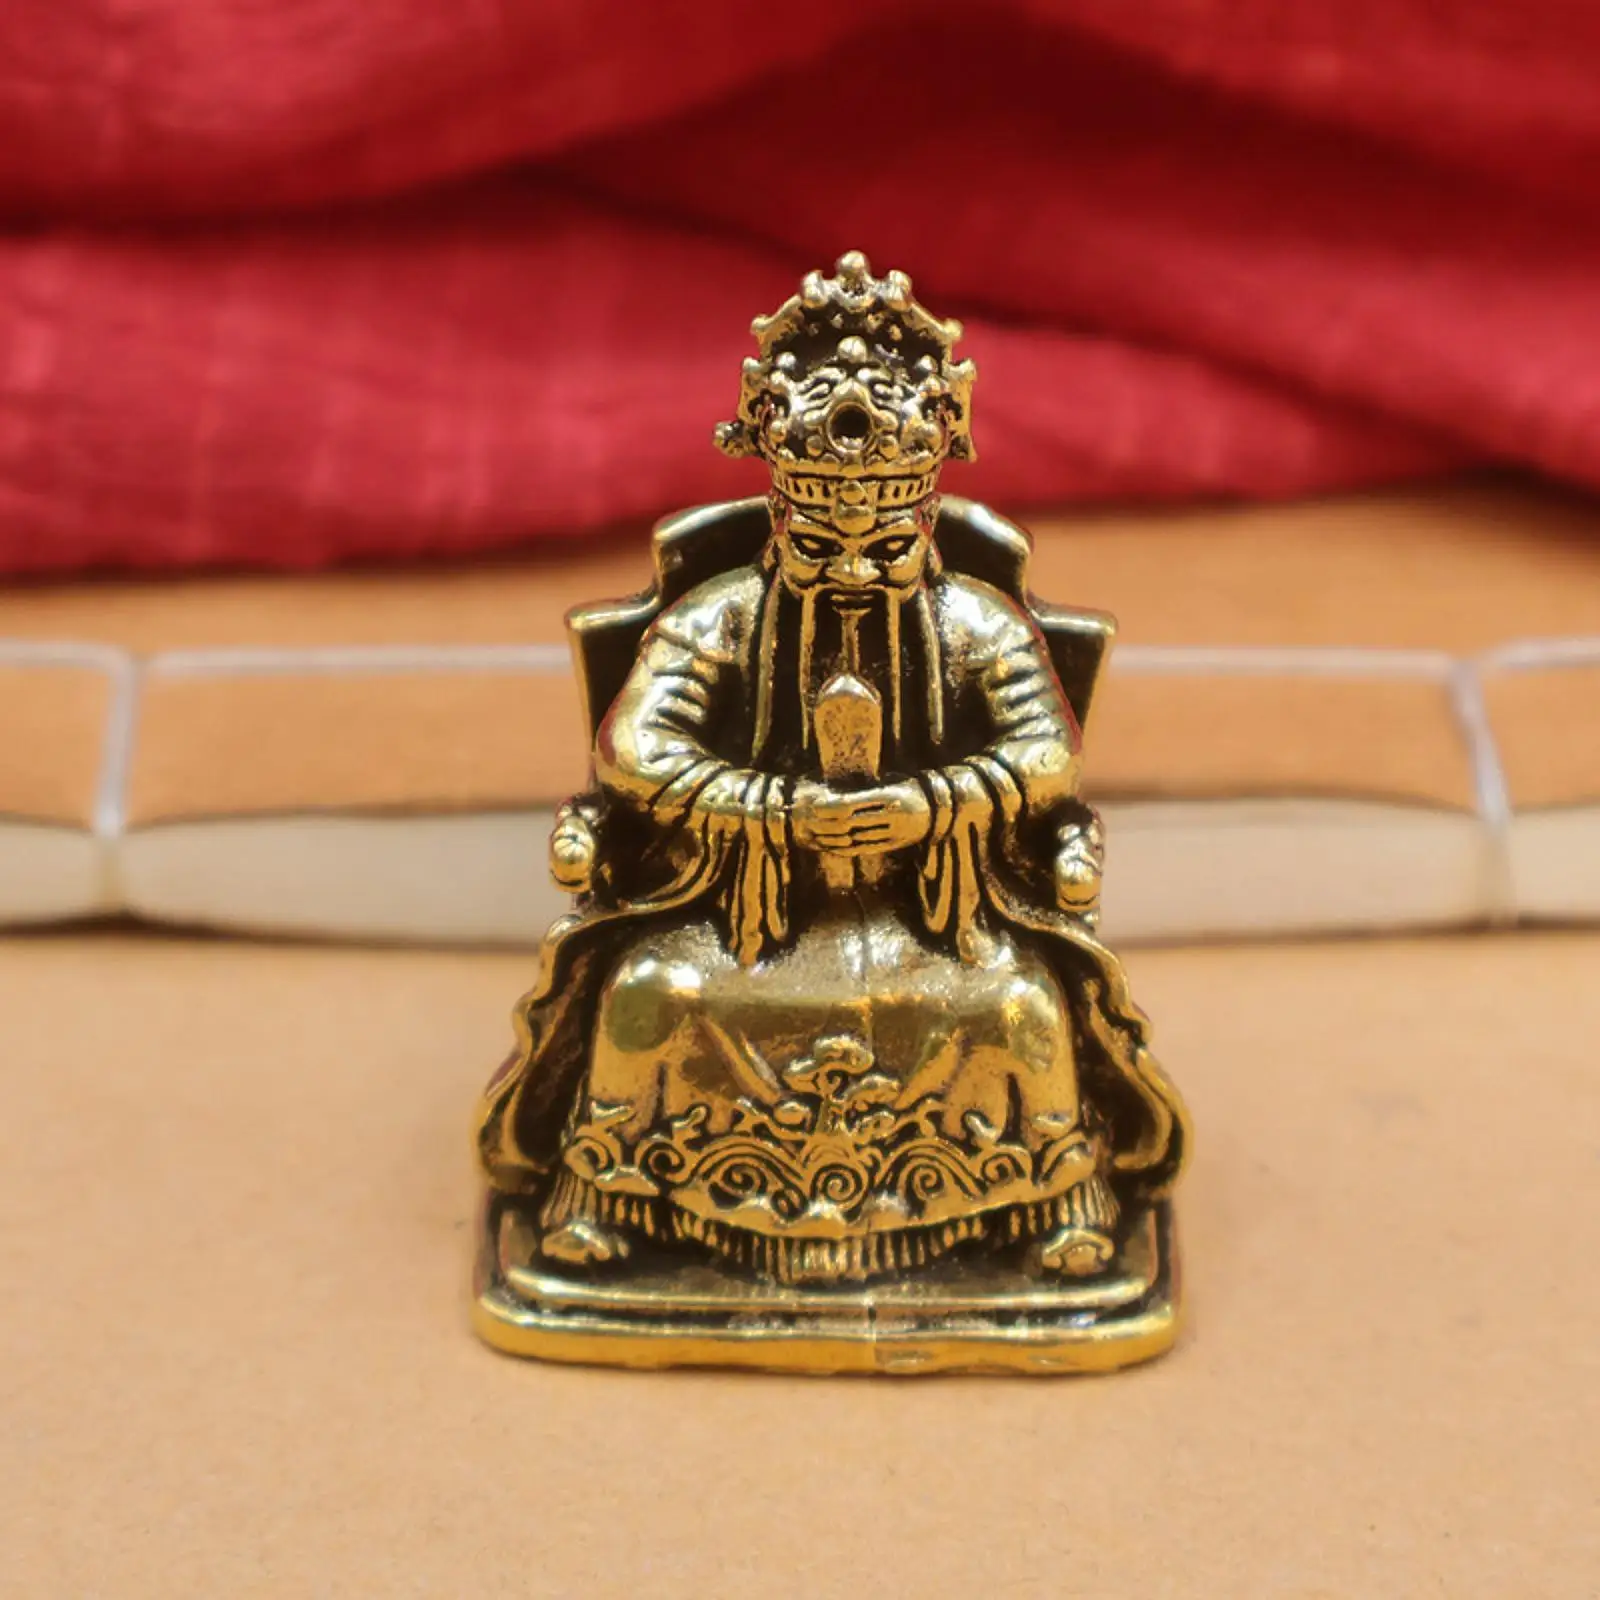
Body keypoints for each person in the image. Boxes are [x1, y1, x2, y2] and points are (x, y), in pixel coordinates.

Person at [477, 253, 1187, 1286]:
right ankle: (608, 1195)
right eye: (821, 542)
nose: (853, 567)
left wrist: (929, 804)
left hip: (932, 917)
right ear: (781, 515)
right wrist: (772, 808)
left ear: (922, 519)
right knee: (647, 994)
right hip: (744, 916)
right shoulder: (719, 617)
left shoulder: (976, 623)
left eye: (883, 546)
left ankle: (1053, 1198)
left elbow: (1044, 749)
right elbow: (636, 747)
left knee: (1021, 1008)